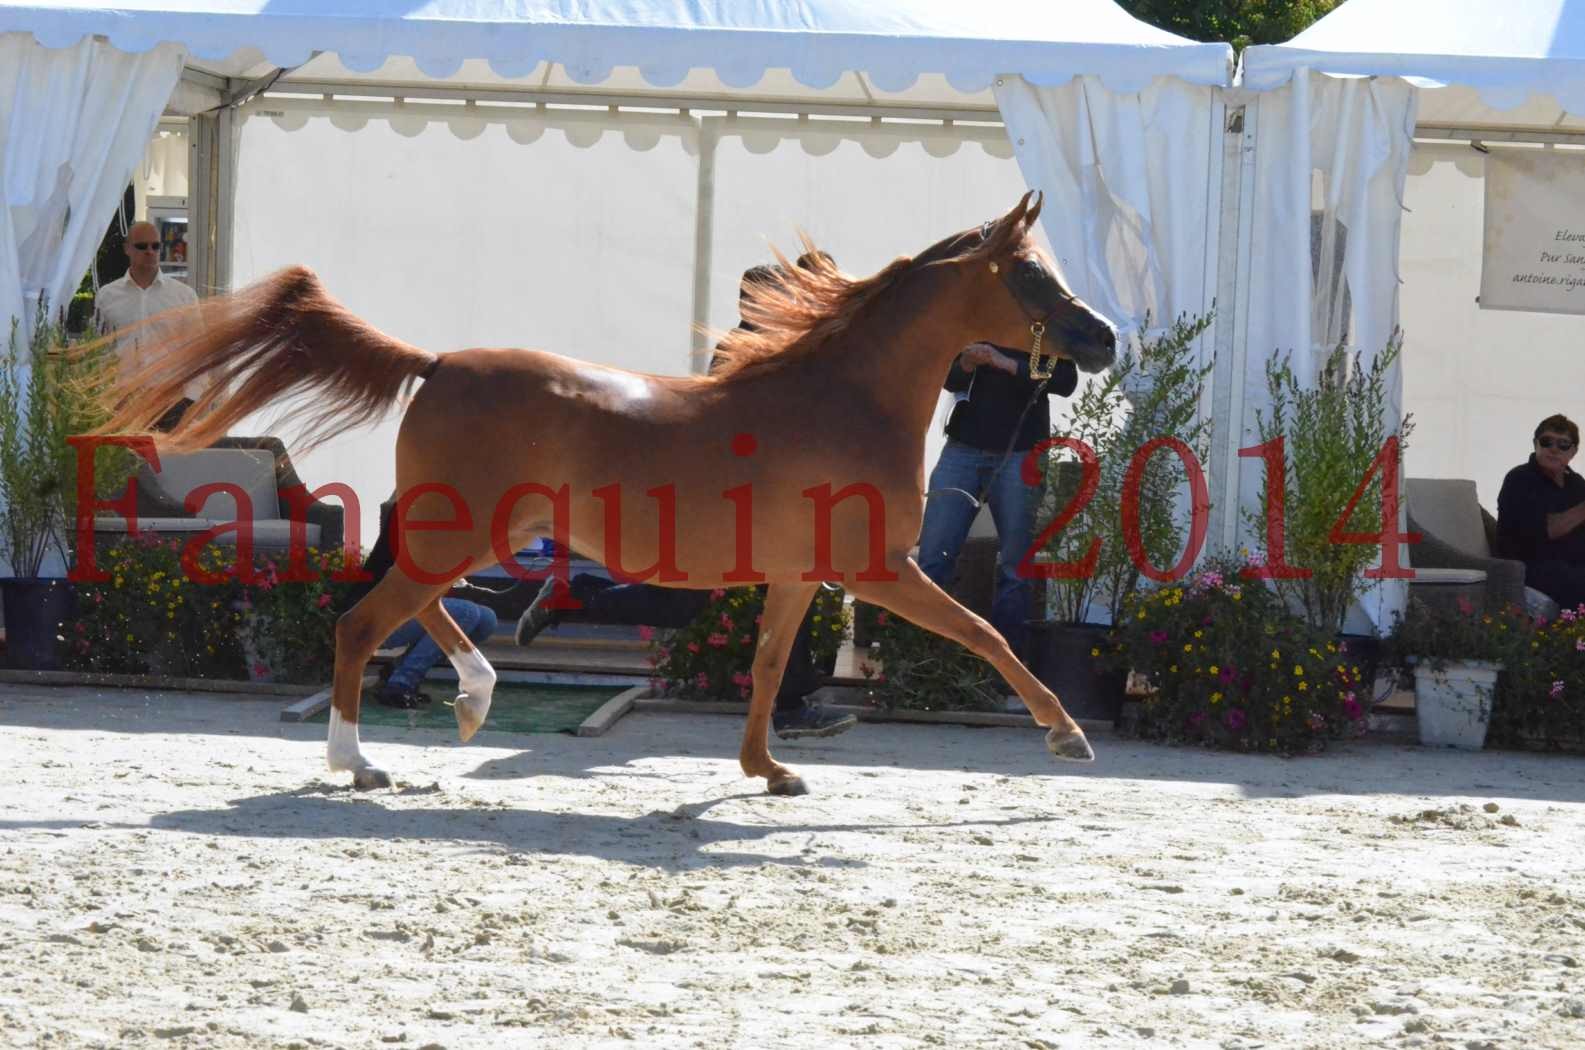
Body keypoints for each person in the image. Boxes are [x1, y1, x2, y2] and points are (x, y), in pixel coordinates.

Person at [513, 260, 857, 741]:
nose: (791, 305)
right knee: (686, 602)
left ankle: (790, 703)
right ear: (755, 303)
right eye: (782, 296)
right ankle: (790, 704)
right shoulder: (746, 349)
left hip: (742, 507)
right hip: (719, 506)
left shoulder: (768, 349)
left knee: (749, 592)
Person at [914, 340, 1079, 660]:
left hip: (1022, 452)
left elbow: (1065, 380)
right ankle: (923, 660)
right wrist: (966, 363)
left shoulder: (1042, 321)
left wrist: (1009, 364)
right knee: (933, 556)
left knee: (1016, 567)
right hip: (963, 446)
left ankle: (1005, 666)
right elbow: (947, 379)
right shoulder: (974, 311)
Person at [352, 499, 529, 709]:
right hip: (378, 619)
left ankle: (396, 671)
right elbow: (405, 587)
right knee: (467, 613)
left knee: (486, 619)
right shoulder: (406, 533)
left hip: (409, 612)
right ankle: (401, 684)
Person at [93, 220, 200, 430]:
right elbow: (99, 350)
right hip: (121, 403)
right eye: (142, 246)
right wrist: (104, 396)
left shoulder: (183, 296)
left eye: (156, 246)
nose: (150, 251)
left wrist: (190, 399)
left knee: (168, 463)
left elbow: (197, 350)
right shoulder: (106, 296)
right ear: (127, 249)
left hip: (169, 401)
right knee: (123, 462)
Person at [1496, 414, 1585, 612]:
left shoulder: (1577, 483)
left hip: (1571, 564)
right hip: (1529, 565)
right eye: (1546, 442)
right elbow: (1547, 530)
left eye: (1563, 445)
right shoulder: (1519, 479)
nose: (1553, 449)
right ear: (1536, 444)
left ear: (1573, 451)